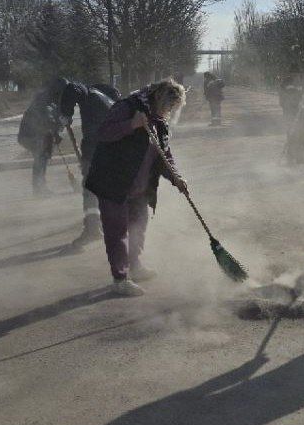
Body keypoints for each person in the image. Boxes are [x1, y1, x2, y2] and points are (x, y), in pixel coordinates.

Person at [84, 79, 188, 297]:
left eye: (173, 108)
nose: (169, 111)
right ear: (157, 96)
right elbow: (103, 133)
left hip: (140, 186)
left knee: (138, 226)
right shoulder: (127, 107)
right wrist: (131, 125)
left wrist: (176, 178)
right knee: (117, 232)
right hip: (114, 182)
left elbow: (164, 153)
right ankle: (120, 279)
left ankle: (136, 266)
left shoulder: (160, 120)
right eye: (168, 106)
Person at [57, 80, 120, 249]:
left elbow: (72, 88)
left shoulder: (88, 91)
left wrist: (66, 113)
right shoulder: (113, 99)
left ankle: (93, 229)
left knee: (90, 188)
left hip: (96, 147)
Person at [17, 77, 66, 196]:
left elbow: (52, 120)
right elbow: (46, 121)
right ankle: (39, 188)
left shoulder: (49, 100)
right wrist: (56, 128)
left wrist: (57, 128)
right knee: (41, 157)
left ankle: (40, 187)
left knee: (42, 157)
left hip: (35, 135)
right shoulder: (44, 100)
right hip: (30, 136)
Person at [278, 73, 304, 165]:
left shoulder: (301, 83)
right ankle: (290, 159)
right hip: (290, 114)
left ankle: (300, 158)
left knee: (302, 136)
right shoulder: (285, 83)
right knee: (291, 136)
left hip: (300, 115)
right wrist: (293, 106)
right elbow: (283, 100)